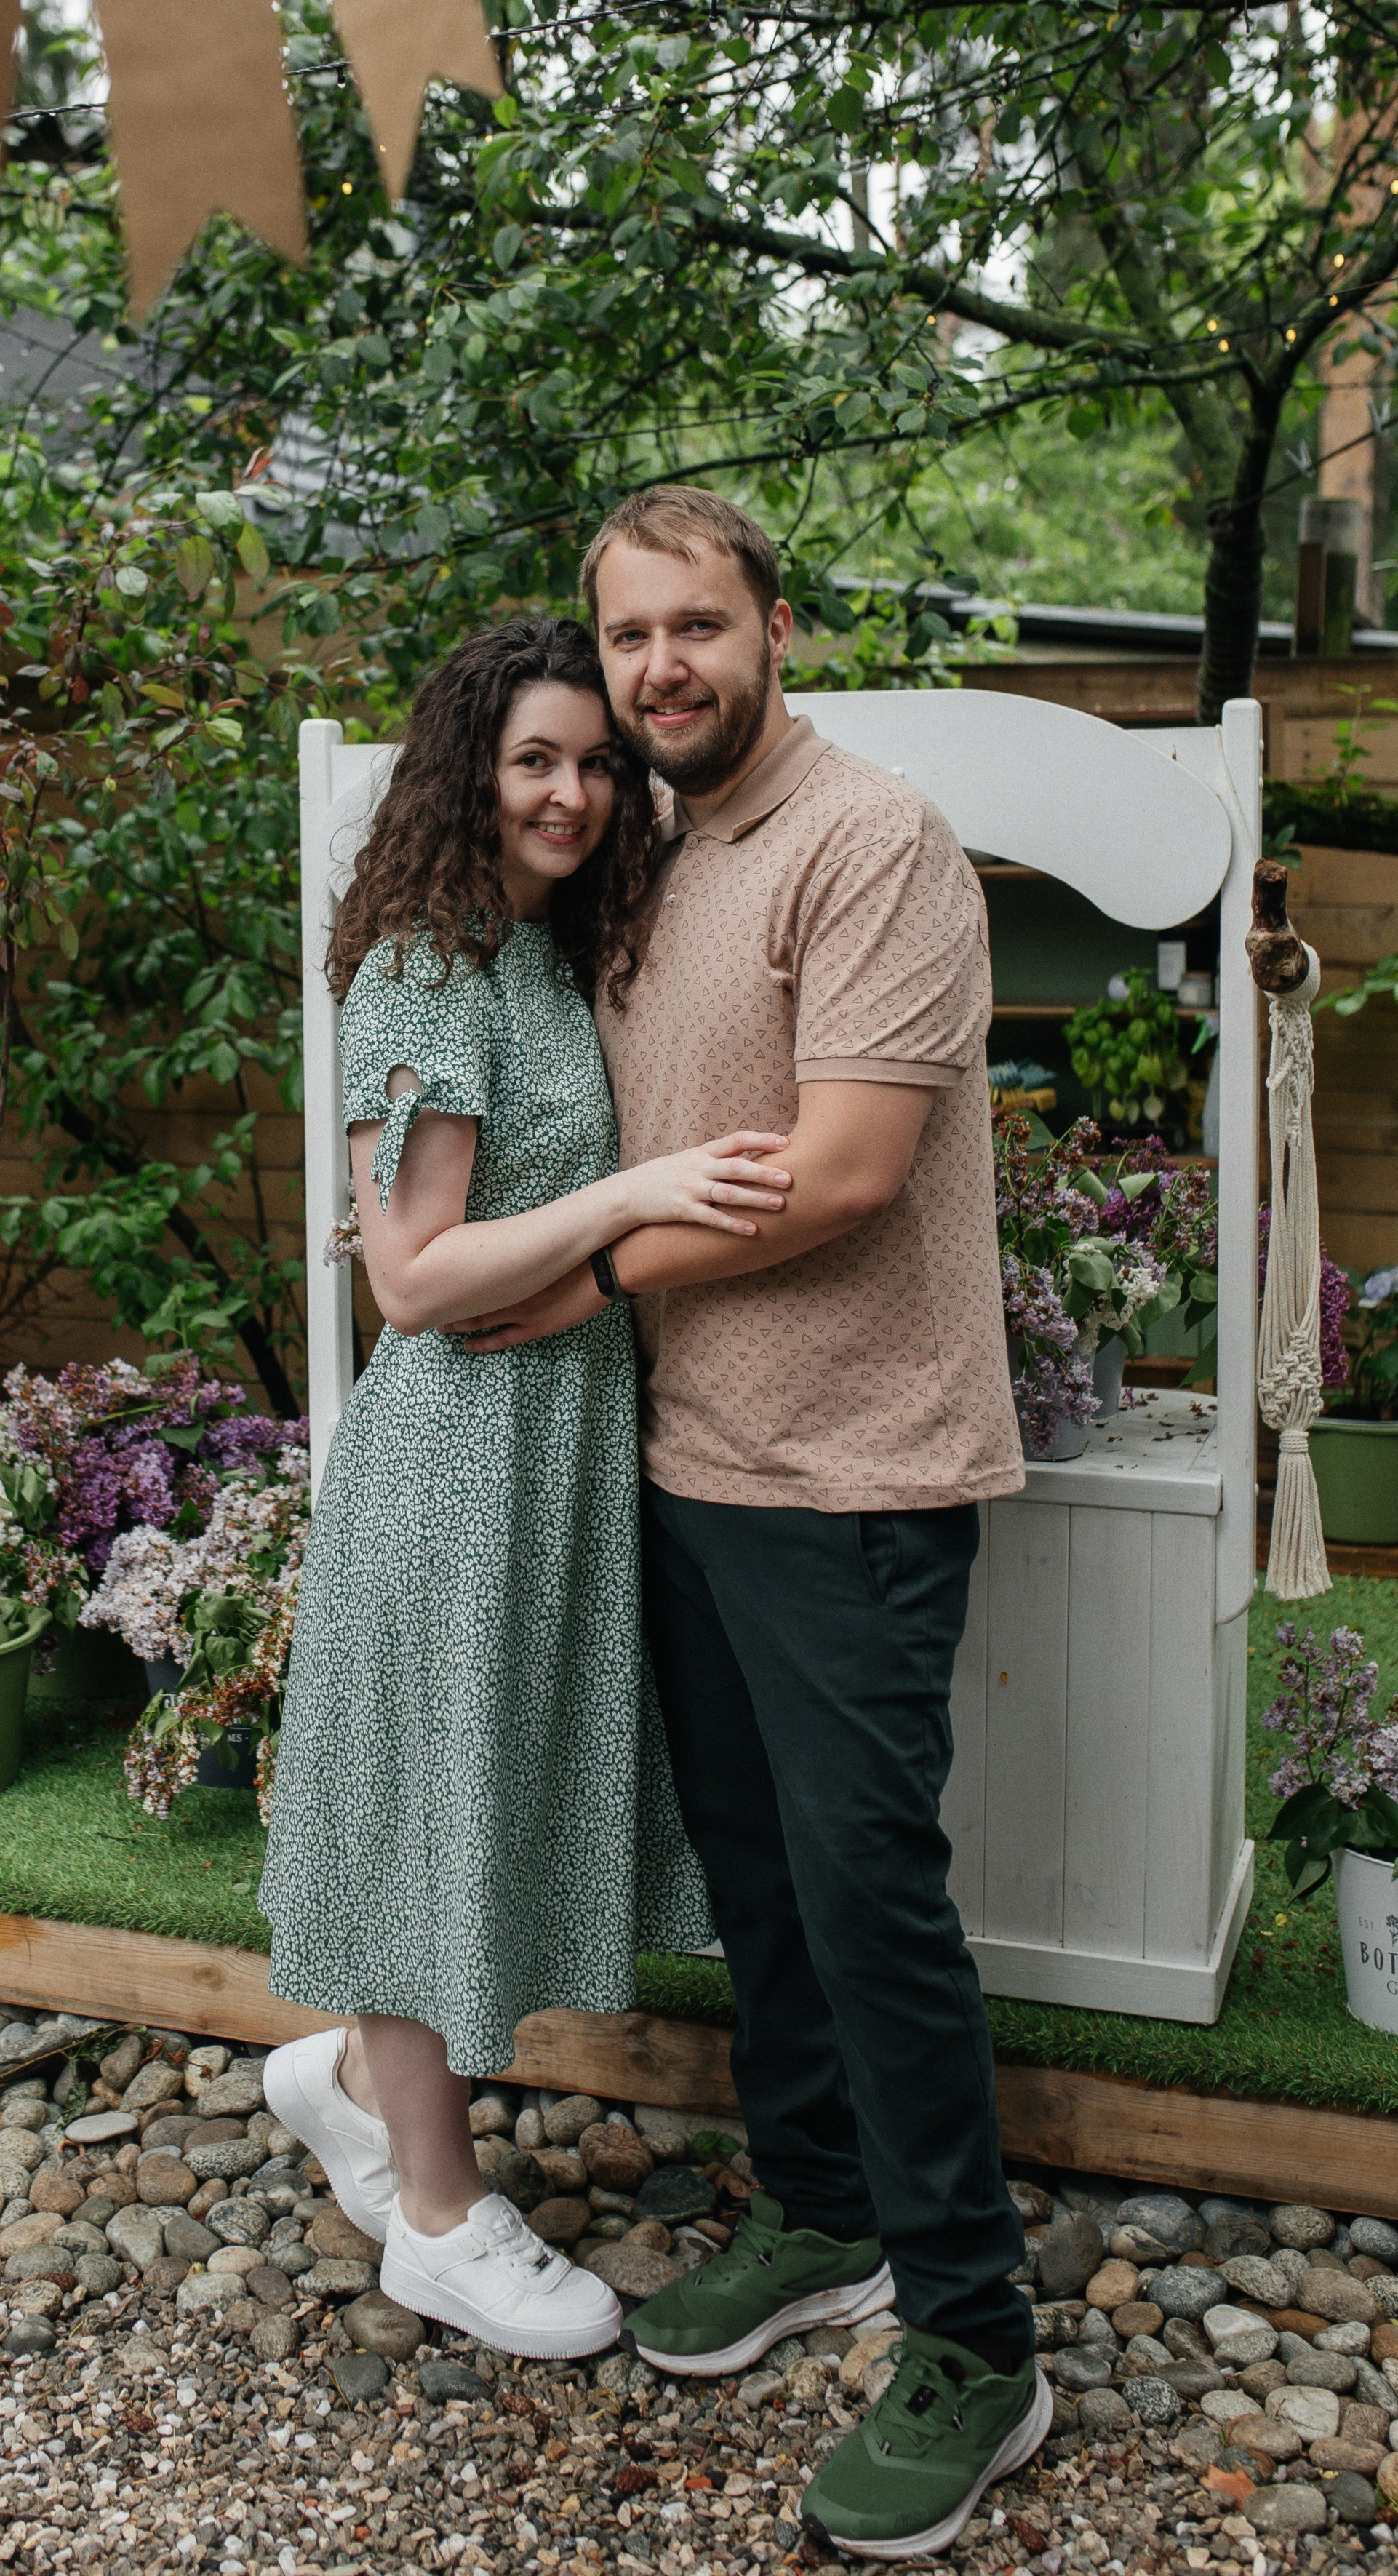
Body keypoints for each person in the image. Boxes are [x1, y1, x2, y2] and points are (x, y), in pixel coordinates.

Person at [449, 488, 1049, 2560]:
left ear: (775, 625)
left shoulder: (872, 844)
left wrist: (581, 1282)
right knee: (766, 1889)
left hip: (859, 1468)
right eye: (630, 641)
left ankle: (978, 2335)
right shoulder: (655, 855)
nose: (663, 669)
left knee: (870, 1896)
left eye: (698, 625)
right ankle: (823, 2212)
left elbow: (856, 1170)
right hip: (689, 1462)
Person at [258, 611, 792, 2361]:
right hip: (455, 1463)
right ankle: (432, 2211)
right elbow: (408, 1280)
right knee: (435, 1828)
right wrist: (636, 1201)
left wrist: (607, 1212)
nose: (569, 793)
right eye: (531, 760)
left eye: (592, 762)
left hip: (558, 1448)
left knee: (486, 1803)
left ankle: (347, 2078)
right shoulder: (422, 963)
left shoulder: (548, 952)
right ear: (465, 776)